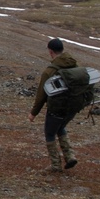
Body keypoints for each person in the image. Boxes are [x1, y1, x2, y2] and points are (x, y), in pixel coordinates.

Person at [28, 37, 80, 172]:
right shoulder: (74, 65)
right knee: (60, 127)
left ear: (51, 52)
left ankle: (55, 165)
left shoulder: (49, 71)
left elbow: (41, 95)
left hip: (56, 109)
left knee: (50, 133)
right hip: (73, 107)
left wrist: (33, 113)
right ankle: (70, 156)